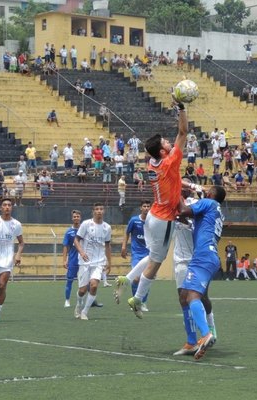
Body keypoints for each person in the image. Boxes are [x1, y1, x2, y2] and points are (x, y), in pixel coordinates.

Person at [114, 96, 189, 318]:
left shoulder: (153, 164)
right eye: (166, 143)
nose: (169, 142)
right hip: (164, 219)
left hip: (154, 215)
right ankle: (137, 298)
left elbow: (174, 179)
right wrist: (182, 109)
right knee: (157, 262)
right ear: (163, 151)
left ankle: (126, 279)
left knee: (153, 255)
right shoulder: (168, 162)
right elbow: (183, 133)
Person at [176, 185, 226, 360]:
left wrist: (174, 190)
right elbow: (187, 220)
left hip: (203, 256)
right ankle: (191, 341)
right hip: (208, 256)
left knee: (192, 297)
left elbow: (183, 210)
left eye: (207, 190)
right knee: (184, 296)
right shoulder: (216, 210)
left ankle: (206, 334)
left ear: (211, 194)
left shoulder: (208, 202)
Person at [73, 203, 112, 320]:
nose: (99, 211)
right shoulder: (86, 224)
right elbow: (76, 240)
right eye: (97, 209)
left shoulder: (107, 227)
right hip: (85, 261)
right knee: (82, 290)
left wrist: (109, 262)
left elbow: (108, 245)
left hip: (99, 262)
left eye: (101, 209)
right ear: (93, 211)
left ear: (104, 211)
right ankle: (79, 304)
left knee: (94, 286)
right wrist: (81, 252)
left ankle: (85, 311)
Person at [120, 200, 151, 312]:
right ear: (140, 208)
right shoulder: (134, 220)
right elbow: (127, 232)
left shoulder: (152, 221)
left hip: (149, 254)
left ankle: (143, 303)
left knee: (146, 278)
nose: (146, 208)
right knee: (136, 279)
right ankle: (136, 301)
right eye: (144, 206)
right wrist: (124, 247)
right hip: (137, 254)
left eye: (148, 206)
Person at [62, 210, 81, 308]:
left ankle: (81, 301)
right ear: (72, 218)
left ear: (80, 217)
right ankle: (67, 300)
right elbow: (65, 246)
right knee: (69, 280)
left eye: (78, 216)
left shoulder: (84, 230)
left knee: (84, 282)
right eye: (74, 216)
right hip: (73, 260)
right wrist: (65, 260)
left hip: (84, 260)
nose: (76, 218)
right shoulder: (69, 232)